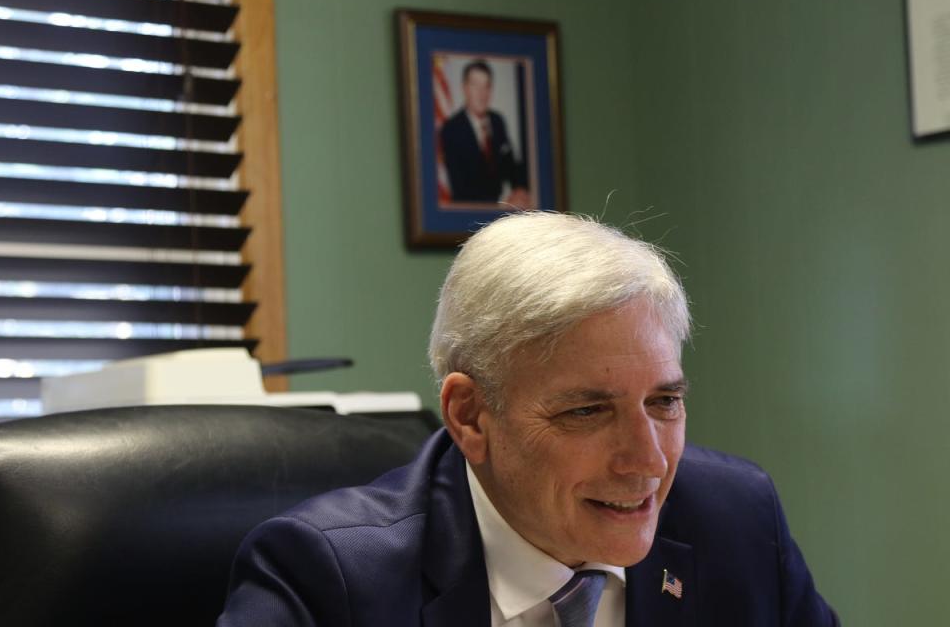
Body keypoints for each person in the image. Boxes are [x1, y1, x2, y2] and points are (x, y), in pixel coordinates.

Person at [218, 212, 839, 626]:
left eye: (664, 402)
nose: (648, 460)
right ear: (471, 416)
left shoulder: (738, 523)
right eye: (588, 411)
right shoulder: (326, 580)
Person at [440, 60, 530, 205]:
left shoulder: (497, 121)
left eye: (486, 86)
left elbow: (512, 166)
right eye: (475, 85)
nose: (482, 93)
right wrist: (501, 204)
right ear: (464, 88)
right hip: (469, 216)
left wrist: (519, 189)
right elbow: (460, 189)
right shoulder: (452, 129)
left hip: (501, 211)